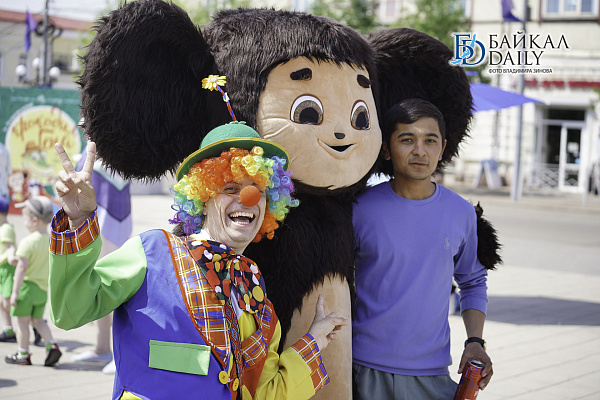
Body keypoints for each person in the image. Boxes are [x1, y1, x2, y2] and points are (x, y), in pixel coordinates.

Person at [49, 123, 349, 400]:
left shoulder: (258, 301)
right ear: (203, 198)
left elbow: (265, 394)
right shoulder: (153, 252)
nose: (247, 198)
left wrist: (313, 342)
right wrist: (78, 222)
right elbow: (70, 311)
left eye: (258, 190)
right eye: (230, 188)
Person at [352, 98, 493, 399]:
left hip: (433, 375)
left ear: (442, 149)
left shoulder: (461, 213)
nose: (420, 150)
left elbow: (473, 281)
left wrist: (475, 341)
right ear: (386, 149)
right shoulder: (359, 209)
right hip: (361, 370)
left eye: (430, 140)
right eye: (407, 140)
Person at [71, 150, 132, 374]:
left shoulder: (111, 150)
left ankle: (119, 353)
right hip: (97, 224)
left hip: (109, 225)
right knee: (98, 286)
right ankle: (102, 346)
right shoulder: (91, 149)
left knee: (109, 286)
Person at [4, 195, 62, 366]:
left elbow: (22, 269)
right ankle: (52, 345)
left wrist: (14, 293)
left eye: (25, 217)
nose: (23, 221)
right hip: (42, 290)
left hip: (26, 289)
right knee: (38, 321)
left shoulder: (27, 242)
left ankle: (23, 354)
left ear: (35, 220)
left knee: (22, 322)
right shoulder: (52, 240)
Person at [0, 196, 17, 342]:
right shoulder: (3, 227)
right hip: (2, 268)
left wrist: (11, 257)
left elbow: (10, 247)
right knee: (2, 301)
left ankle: (36, 325)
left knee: (7, 301)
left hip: (6, 268)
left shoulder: (5, 229)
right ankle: (8, 329)